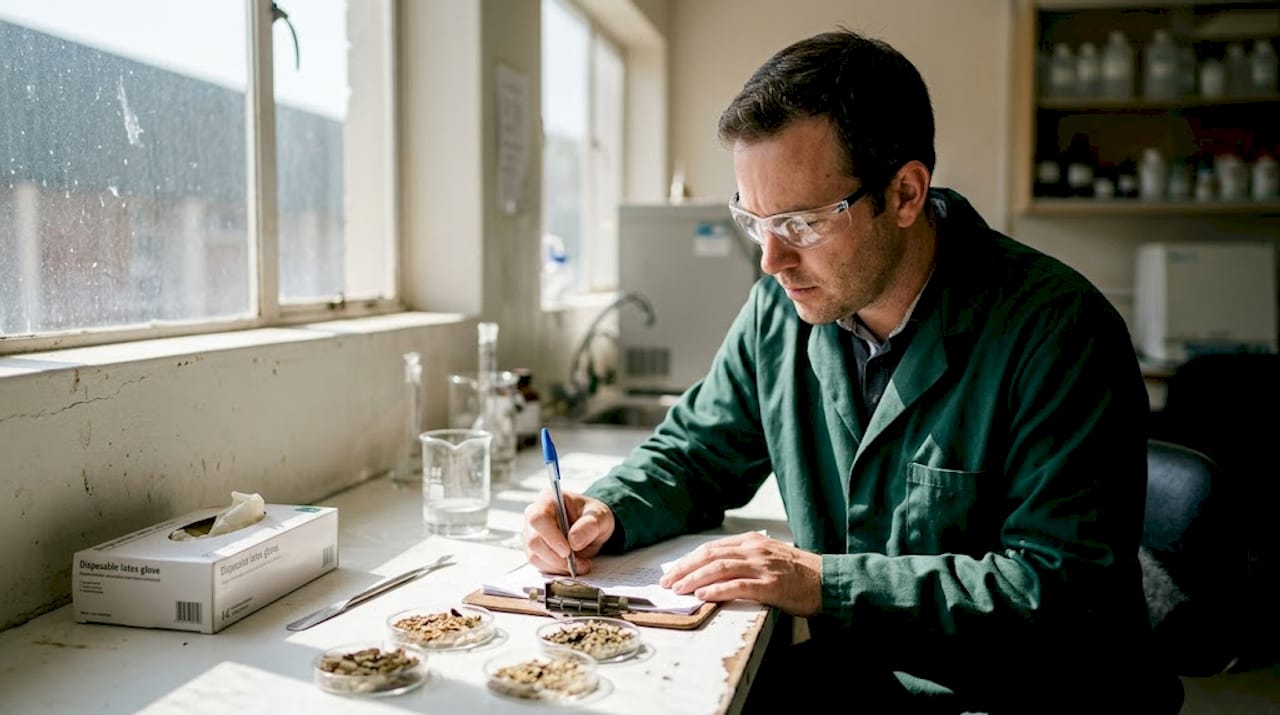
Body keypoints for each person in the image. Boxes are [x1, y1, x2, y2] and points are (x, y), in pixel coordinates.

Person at [523, 28, 1181, 714]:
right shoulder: (781, 312)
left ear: (904, 194)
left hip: (1027, 695)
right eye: (755, 221)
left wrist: (824, 582)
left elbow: (1057, 592)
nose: (771, 261)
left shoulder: (1060, 332)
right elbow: (695, 453)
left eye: (802, 223)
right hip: (869, 677)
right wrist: (607, 506)